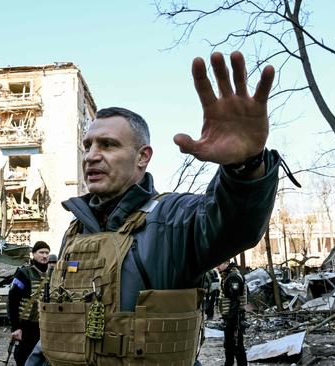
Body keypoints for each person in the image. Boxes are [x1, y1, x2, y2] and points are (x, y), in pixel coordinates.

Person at [26, 51, 291, 365]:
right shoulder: (76, 230)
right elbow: (57, 331)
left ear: (142, 157)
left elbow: (235, 223)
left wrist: (245, 166)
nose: (91, 156)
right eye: (88, 145)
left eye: (108, 145)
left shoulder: (172, 220)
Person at [7, 241, 51, 365]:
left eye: (47, 253)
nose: (44, 256)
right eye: (41, 252)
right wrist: (15, 327)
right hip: (26, 325)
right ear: (33, 254)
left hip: (45, 323)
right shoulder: (24, 273)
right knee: (24, 356)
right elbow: (13, 299)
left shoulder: (52, 273)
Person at [218, 261, 248, 366]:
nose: (217, 266)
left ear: (226, 263)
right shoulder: (229, 275)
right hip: (232, 318)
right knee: (230, 346)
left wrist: (231, 320)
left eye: (219, 263)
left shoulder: (233, 277)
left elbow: (235, 301)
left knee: (236, 346)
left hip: (234, 318)